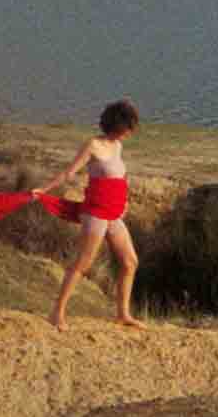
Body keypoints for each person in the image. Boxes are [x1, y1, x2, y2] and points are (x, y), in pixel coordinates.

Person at [30, 99, 142, 331]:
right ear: (117, 125)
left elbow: (120, 178)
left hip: (114, 212)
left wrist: (125, 201)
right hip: (95, 212)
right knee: (83, 263)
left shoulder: (118, 145)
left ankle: (123, 314)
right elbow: (69, 172)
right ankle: (57, 312)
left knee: (130, 262)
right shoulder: (92, 145)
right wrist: (44, 190)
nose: (130, 132)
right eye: (128, 127)